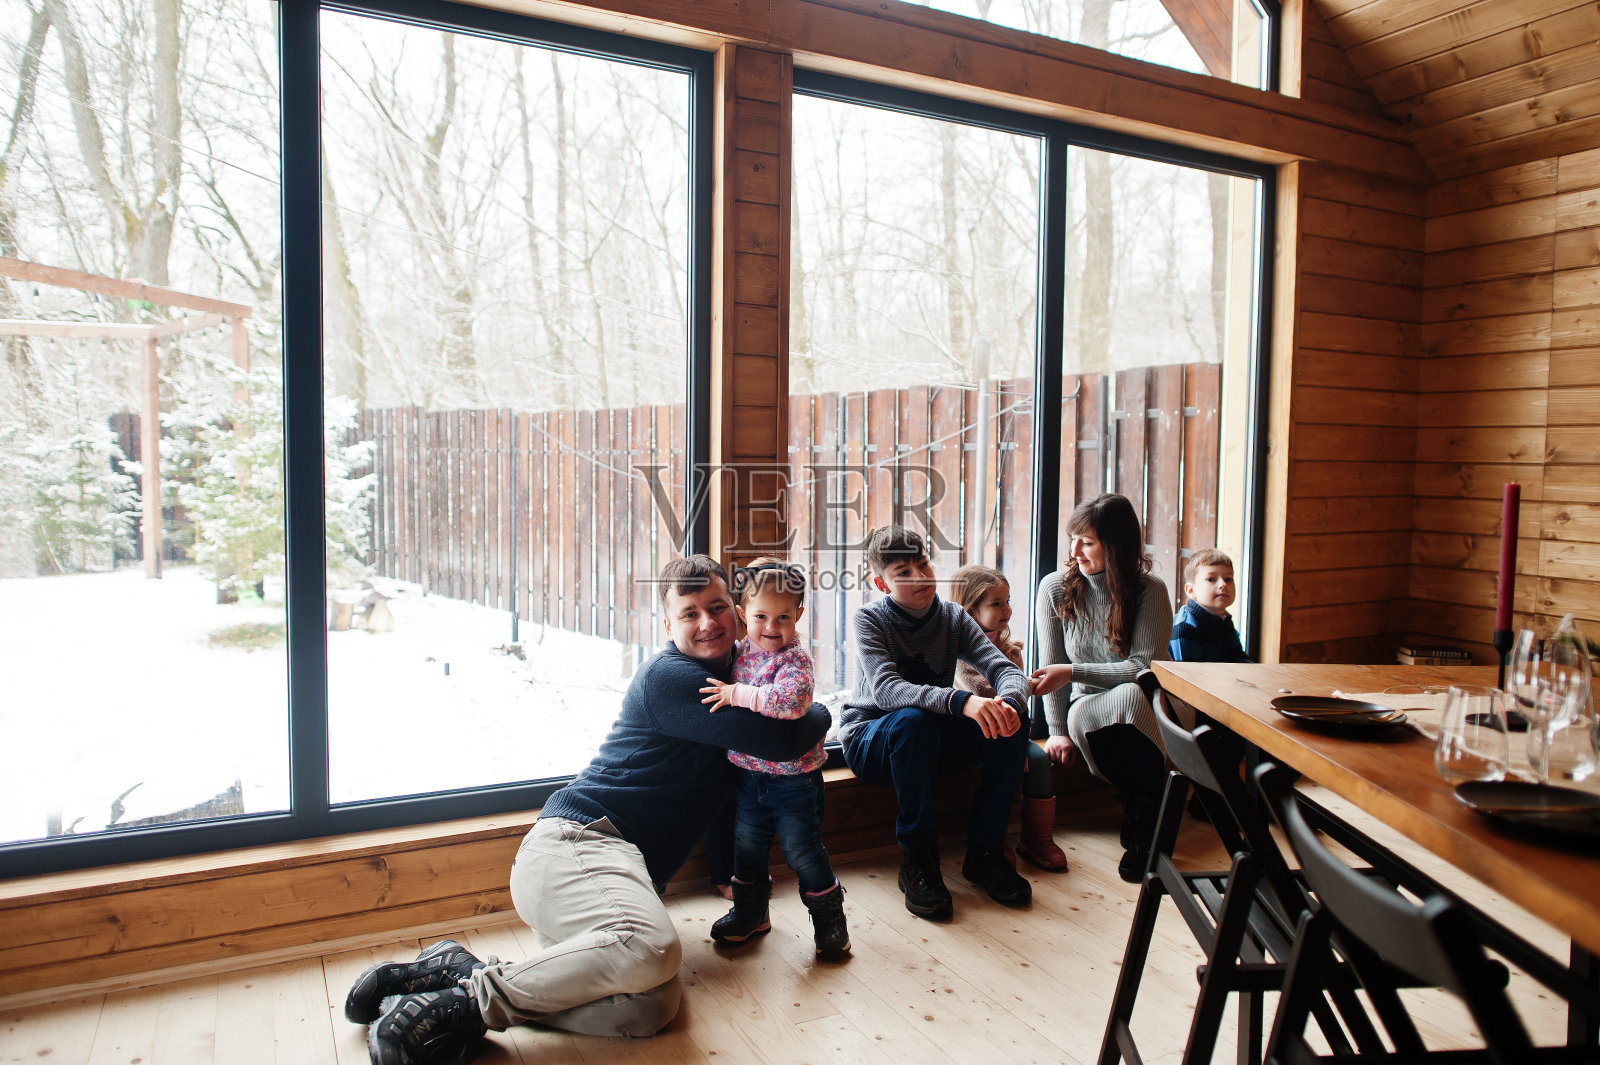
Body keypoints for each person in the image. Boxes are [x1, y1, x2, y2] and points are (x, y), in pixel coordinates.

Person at [348, 554, 831, 1065]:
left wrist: (725, 872)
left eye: (716, 608)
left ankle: (461, 971)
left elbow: (731, 768)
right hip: (577, 844)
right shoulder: (674, 678)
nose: (707, 622)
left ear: (736, 612)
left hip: (614, 876)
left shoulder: (743, 676)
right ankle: (459, 1006)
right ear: (668, 626)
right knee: (651, 949)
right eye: (689, 614)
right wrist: (817, 710)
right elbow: (782, 739)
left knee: (647, 1008)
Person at [838, 525, 1033, 921]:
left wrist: (1009, 700)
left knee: (1013, 717)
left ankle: (986, 851)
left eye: (923, 564)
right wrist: (963, 701)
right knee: (911, 720)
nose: (920, 577)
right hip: (872, 738)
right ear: (881, 582)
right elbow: (888, 691)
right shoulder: (869, 620)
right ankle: (918, 859)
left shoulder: (952, 616)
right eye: (903, 573)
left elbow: (1001, 667)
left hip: (927, 736)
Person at [699, 558, 849, 958]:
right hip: (748, 775)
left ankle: (830, 920)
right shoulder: (739, 651)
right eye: (760, 616)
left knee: (802, 850)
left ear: (798, 614)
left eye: (783, 617)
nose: (770, 627)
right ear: (741, 614)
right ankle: (751, 913)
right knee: (746, 846)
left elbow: (790, 703)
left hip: (794, 780)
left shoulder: (794, 659)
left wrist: (737, 695)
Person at [1031, 494, 1174, 884]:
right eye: (1072, 538)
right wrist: (1056, 732)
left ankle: (1143, 819)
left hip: (1148, 704)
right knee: (1112, 702)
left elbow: (1143, 669)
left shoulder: (1151, 591)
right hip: (1087, 709)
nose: (1074, 550)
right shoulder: (1054, 589)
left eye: (1087, 542)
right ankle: (1148, 810)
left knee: (1130, 694)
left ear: (1116, 545)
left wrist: (1071, 671)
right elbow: (1051, 671)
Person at [950, 564, 1068, 871]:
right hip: (976, 735)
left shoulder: (1009, 649)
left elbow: (1018, 706)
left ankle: (1036, 838)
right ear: (970, 611)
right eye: (996, 604)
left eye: (1008, 601)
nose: (1007, 610)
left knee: (1039, 761)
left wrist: (1025, 687)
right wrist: (1025, 685)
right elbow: (979, 692)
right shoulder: (957, 652)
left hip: (1009, 731)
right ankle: (994, 838)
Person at [1169, 548, 1251, 663]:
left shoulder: (1224, 621)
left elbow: (1239, 660)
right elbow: (1187, 675)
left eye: (1228, 579)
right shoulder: (1185, 627)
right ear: (1191, 590)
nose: (1223, 584)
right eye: (1211, 579)